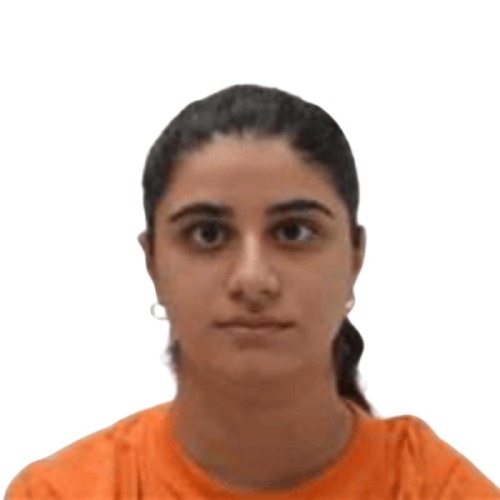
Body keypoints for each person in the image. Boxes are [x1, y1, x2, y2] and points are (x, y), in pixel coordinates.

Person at [5, 84, 499, 499]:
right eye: (207, 234)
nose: (253, 279)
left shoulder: (438, 489)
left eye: (293, 232)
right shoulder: (62, 492)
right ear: (152, 262)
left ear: (355, 257)